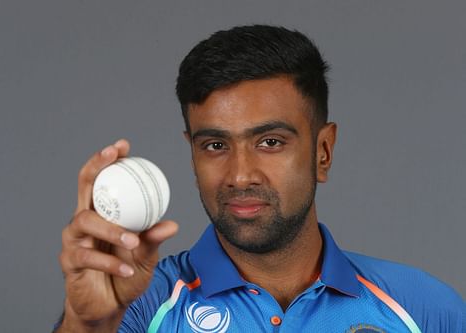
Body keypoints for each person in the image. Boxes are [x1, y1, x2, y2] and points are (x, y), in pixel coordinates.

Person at [56, 25, 464, 332]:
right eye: (215, 145)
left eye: (270, 142)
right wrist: (86, 324)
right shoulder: (140, 305)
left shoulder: (423, 308)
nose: (239, 174)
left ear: (323, 152)